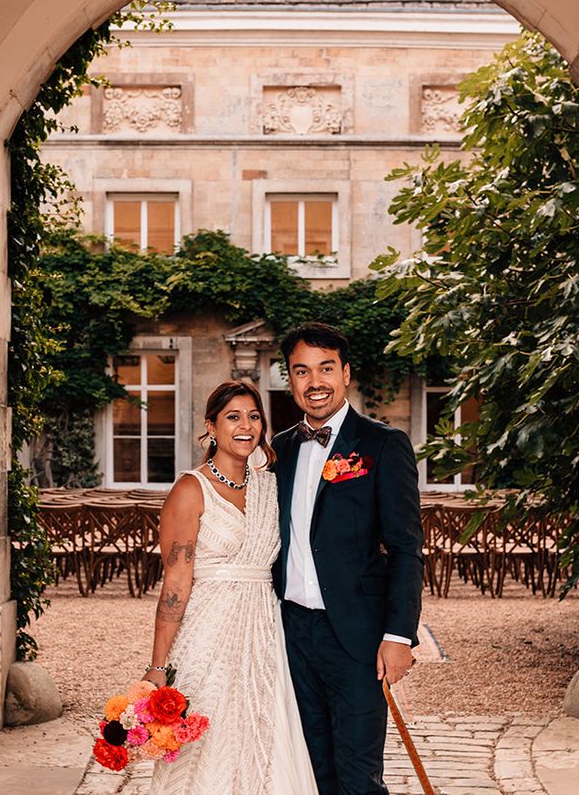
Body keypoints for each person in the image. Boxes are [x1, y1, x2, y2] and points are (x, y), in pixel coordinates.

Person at [144, 381, 318, 795]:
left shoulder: (271, 486)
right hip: (208, 636)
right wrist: (158, 665)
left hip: (265, 634)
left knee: (265, 736)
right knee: (207, 742)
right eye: (233, 417)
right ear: (211, 426)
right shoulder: (191, 489)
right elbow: (175, 583)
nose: (246, 426)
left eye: (254, 416)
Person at [272, 322, 424, 795]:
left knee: (359, 775)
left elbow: (406, 548)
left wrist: (398, 635)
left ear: (346, 373)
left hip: (357, 637)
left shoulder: (382, 444)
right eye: (302, 371)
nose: (314, 382)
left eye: (326, 368)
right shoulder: (279, 450)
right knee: (311, 770)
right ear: (290, 379)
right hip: (290, 634)